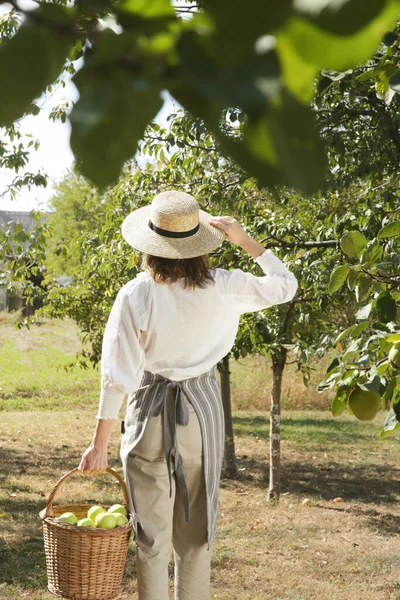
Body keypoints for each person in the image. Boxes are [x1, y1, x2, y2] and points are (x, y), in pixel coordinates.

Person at [78, 190, 298, 600]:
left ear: (151, 245)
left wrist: (100, 443)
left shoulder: (135, 294)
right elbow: (285, 286)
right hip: (201, 411)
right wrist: (246, 241)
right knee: (196, 535)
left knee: (150, 533)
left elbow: (117, 375)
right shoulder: (225, 285)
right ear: (200, 243)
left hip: (148, 413)